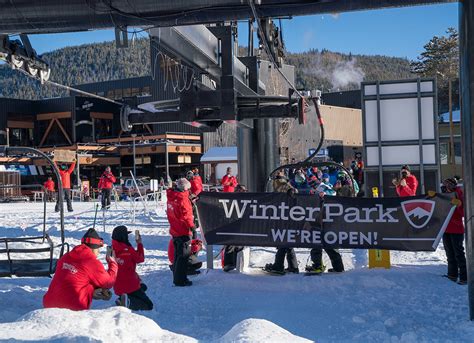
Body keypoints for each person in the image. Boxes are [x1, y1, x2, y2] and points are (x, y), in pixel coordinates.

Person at [43, 228, 117, 310]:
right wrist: (113, 262)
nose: (99, 252)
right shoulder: (91, 261)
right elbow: (108, 282)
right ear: (94, 248)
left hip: (49, 304)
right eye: (98, 249)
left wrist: (91, 292)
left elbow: (75, 280)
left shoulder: (66, 256)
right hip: (72, 307)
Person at [263, 170, 299, 275]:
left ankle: (279, 265)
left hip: (285, 215)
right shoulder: (281, 182)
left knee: (283, 241)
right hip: (286, 215)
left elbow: (290, 191)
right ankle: (293, 266)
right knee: (286, 241)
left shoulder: (282, 183)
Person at [306, 177, 345, 274]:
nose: (312, 187)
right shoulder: (315, 189)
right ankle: (317, 265)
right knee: (316, 243)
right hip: (319, 219)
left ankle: (338, 267)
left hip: (328, 220)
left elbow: (333, 193)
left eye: (313, 184)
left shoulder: (323, 186)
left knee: (329, 244)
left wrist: (325, 195)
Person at [112, 225, 153, 310]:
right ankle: (126, 302)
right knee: (149, 305)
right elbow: (140, 258)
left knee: (143, 287)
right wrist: (139, 243)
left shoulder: (112, 250)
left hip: (118, 287)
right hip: (130, 285)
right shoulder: (128, 250)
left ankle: (124, 297)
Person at [167, 178, 195, 286]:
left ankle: (177, 276)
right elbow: (186, 215)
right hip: (183, 230)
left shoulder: (172, 196)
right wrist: (192, 226)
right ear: (184, 189)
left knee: (178, 254)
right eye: (188, 189)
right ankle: (180, 280)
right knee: (183, 256)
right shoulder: (182, 199)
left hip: (174, 228)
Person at [441, 178, 467, 285]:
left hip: (456, 229)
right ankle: (452, 274)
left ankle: (464, 277)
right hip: (445, 228)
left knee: (458, 253)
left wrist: (459, 205)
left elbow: (463, 213)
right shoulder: (444, 195)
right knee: (449, 252)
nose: (447, 187)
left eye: (449, 185)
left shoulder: (459, 194)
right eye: (445, 185)